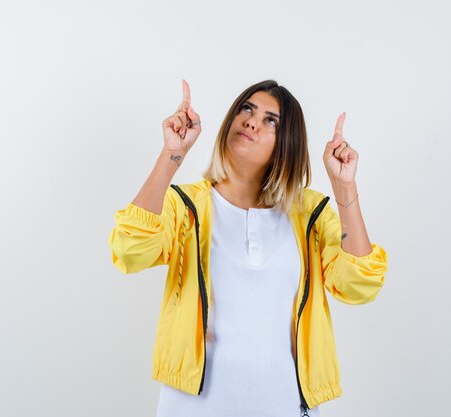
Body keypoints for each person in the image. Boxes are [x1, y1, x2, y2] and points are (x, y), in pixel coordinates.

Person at [108, 79, 388, 417]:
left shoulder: (309, 216)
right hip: (192, 408)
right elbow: (129, 250)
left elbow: (359, 286)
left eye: (272, 120)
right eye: (247, 108)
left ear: (288, 144)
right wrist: (171, 154)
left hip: (284, 406)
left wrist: (344, 188)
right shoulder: (185, 206)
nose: (252, 121)